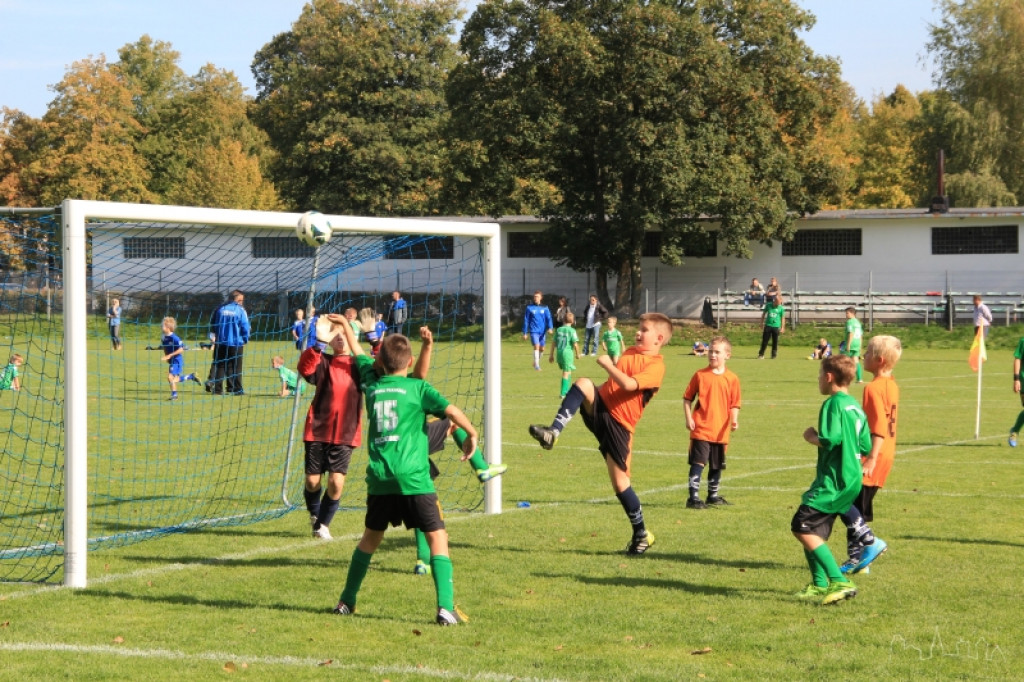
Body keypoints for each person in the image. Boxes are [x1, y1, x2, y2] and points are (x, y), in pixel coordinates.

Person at [331, 321, 479, 626]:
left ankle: (346, 601)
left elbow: (359, 352)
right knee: (437, 537)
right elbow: (450, 411)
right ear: (409, 362)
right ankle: (445, 608)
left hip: (381, 481)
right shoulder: (418, 388)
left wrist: (347, 325)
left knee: (370, 540)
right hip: (414, 479)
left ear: (380, 361)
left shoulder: (371, 384)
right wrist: (472, 432)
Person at [528, 313, 674, 555]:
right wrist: (611, 367)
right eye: (639, 328)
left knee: (620, 484)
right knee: (584, 383)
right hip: (601, 407)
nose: (638, 332)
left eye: (644, 330)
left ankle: (642, 533)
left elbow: (628, 385)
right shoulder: (631, 353)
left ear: (658, 338)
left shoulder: (656, 367)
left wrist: (608, 365)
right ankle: (553, 432)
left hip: (620, 426)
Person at [792, 355, 870, 605]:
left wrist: (812, 436)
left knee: (801, 526)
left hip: (834, 479)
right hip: (852, 478)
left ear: (828, 377)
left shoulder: (832, 404)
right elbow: (865, 444)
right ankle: (819, 583)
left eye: (819, 375)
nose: (818, 380)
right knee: (814, 531)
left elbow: (832, 438)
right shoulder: (855, 406)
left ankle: (839, 580)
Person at [838, 334, 901, 575]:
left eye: (868, 353)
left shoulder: (873, 388)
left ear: (880, 360)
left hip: (873, 454)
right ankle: (860, 560)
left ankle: (867, 548)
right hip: (887, 454)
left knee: (844, 502)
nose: (863, 355)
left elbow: (878, 427)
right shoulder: (892, 385)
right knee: (858, 508)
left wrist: (871, 457)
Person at [297, 314, 362, 541]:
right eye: (335, 334)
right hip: (317, 429)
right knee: (313, 481)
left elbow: (384, 365)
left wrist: (374, 340)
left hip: (346, 432)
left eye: (345, 333)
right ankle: (316, 516)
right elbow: (304, 370)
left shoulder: (359, 365)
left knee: (336, 482)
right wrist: (317, 345)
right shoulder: (321, 360)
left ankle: (323, 525)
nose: (340, 338)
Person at [682, 336, 741, 509]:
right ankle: (693, 498)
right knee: (699, 462)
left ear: (727, 355)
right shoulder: (700, 375)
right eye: (711, 351)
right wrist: (688, 418)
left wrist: (734, 420)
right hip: (701, 427)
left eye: (717, 352)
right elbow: (687, 399)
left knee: (717, 465)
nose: (712, 355)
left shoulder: (732, 378)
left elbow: (735, 403)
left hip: (721, 430)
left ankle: (712, 496)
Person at [206, 289, 251, 395]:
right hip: (236, 343)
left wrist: (215, 336)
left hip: (221, 342)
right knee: (236, 367)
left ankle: (217, 390)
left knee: (220, 365)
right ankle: (237, 389)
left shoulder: (220, 309)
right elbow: (245, 326)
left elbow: (213, 324)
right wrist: (245, 339)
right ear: (238, 300)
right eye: (242, 300)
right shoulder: (240, 310)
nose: (242, 302)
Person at [160, 317, 201, 401]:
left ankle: (174, 395)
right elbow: (165, 347)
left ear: (168, 327)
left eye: (163, 325)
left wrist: (169, 355)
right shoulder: (163, 337)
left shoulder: (175, 338)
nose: (161, 326)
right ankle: (191, 376)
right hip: (172, 360)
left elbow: (181, 349)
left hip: (177, 360)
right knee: (174, 379)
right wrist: (167, 356)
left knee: (170, 377)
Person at [522, 290, 554, 371]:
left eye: (537, 297)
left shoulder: (545, 307)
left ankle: (536, 362)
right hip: (534, 331)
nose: (535, 298)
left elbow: (549, 318)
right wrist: (525, 333)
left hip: (542, 331)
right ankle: (537, 366)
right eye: (535, 296)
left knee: (542, 349)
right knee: (536, 346)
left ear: (541, 298)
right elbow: (526, 320)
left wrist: (550, 328)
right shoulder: (529, 308)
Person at [551, 311, 581, 398]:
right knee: (566, 372)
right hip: (567, 353)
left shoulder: (559, 330)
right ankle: (563, 393)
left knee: (568, 370)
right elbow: (575, 343)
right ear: (572, 321)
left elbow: (553, 342)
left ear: (563, 320)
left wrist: (551, 355)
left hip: (559, 353)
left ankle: (568, 390)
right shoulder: (572, 331)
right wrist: (578, 354)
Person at [757, 295, 786, 359]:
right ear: (774, 301)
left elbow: (782, 318)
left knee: (775, 341)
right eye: (777, 302)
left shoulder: (781, 308)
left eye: (780, 302)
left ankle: (773, 355)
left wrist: (782, 327)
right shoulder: (768, 305)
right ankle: (761, 354)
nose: (778, 304)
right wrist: (761, 323)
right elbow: (764, 314)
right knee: (765, 341)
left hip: (776, 327)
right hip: (768, 326)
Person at [1010, 332, 1024, 448]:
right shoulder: (1023, 341)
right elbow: (1017, 358)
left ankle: (1014, 430)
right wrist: (1016, 379)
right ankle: (1014, 431)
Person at [843, 307, 864, 383]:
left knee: (843, 361)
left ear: (852, 313)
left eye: (847, 313)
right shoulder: (858, 322)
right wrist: (860, 346)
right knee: (856, 361)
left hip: (851, 343)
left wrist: (848, 345)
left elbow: (851, 333)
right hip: (857, 343)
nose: (846, 315)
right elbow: (861, 335)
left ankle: (844, 379)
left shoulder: (850, 322)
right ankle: (859, 379)